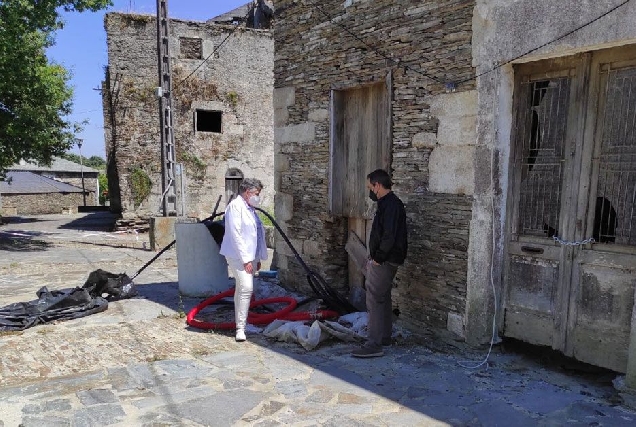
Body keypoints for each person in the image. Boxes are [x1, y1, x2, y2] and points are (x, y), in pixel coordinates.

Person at [352, 169, 408, 358]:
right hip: (386, 258)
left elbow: (389, 236)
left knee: (374, 298)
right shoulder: (388, 204)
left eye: (370, 187)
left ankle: (373, 344)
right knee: (382, 296)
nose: (370, 191)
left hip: (385, 260)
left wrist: (378, 258)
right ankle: (384, 336)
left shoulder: (391, 205)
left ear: (377, 185)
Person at [220, 178, 268, 342]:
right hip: (237, 255)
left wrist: (257, 257)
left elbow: (257, 233)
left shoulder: (250, 208)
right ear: (248, 192)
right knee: (246, 288)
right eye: (256, 193)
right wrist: (246, 260)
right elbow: (236, 235)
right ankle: (240, 328)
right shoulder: (235, 207)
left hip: (250, 255)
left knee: (242, 289)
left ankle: (243, 323)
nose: (258, 196)